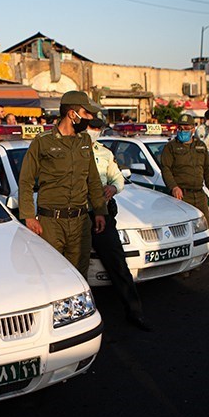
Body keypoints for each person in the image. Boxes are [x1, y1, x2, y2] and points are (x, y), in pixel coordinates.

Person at [18, 90, 106, 279]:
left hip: (80, 221)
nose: (90, 118)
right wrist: (28, 216)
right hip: (51, 223)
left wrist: (100, 211)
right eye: (86, 113)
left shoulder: (85, 142)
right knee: (51, 274)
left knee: (79, 276)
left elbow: (93, 179)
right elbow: (25, 180)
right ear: (72, 114)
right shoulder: (43, 143)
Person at [87, 118, 148, 331]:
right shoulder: (71, 151)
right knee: (74, 268)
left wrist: (113, 189)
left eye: (97, 128)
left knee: (117, 263)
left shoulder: (104, 153)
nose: (94, 131)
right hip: (76, 215)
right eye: (91, 127)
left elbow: (117, 178)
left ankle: (135, 312)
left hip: (101, 213)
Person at [160, 114, 209, 226]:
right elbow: (166, 169)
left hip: (199, 194)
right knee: (184, 226)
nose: (183, 131)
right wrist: (174, 187)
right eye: (180, 128)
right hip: (181, 195)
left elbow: (207, 168)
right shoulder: (171, 147)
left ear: (193, 129)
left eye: (186, 129)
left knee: (205, 223)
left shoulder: (200, 146)